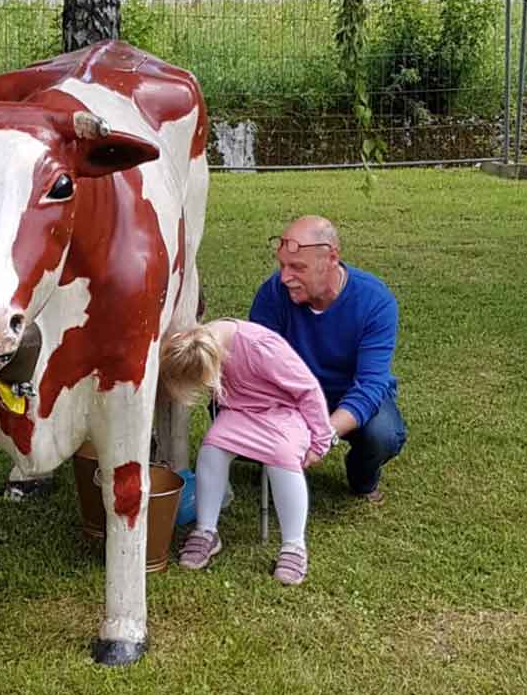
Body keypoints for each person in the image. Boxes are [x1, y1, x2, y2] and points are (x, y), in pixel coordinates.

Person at [160, 319, 333, 584]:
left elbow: (308, 391)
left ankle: (294, 545)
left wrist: (321, 440)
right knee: (213, 446)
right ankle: (206, 530)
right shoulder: (199, 343)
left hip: (284, 412)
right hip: (240, 412)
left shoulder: (262, 347)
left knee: (282, 454)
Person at [249, 215, 406, 503]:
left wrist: (323, 435)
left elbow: (370, 387)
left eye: (297, 267)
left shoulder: (376, 301)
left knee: (382, 435)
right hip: (291, 395)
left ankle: (362, 479)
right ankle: (275, 461)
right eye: (282, 265)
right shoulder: (273, 293)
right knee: (221, 405)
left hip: (348, 394)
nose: (285, 278)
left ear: (331, 258)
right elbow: (255, 366)